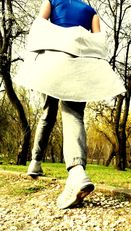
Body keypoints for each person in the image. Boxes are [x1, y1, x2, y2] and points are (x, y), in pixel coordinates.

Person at [27, 0, 101, 209]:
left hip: (53, 62)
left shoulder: (51, 1)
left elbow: (39, 27)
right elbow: (98, 45)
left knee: (48, 114)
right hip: (80, 64)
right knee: (74, 115)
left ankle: (35, 162)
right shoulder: (91, 11)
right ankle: (77, 170)